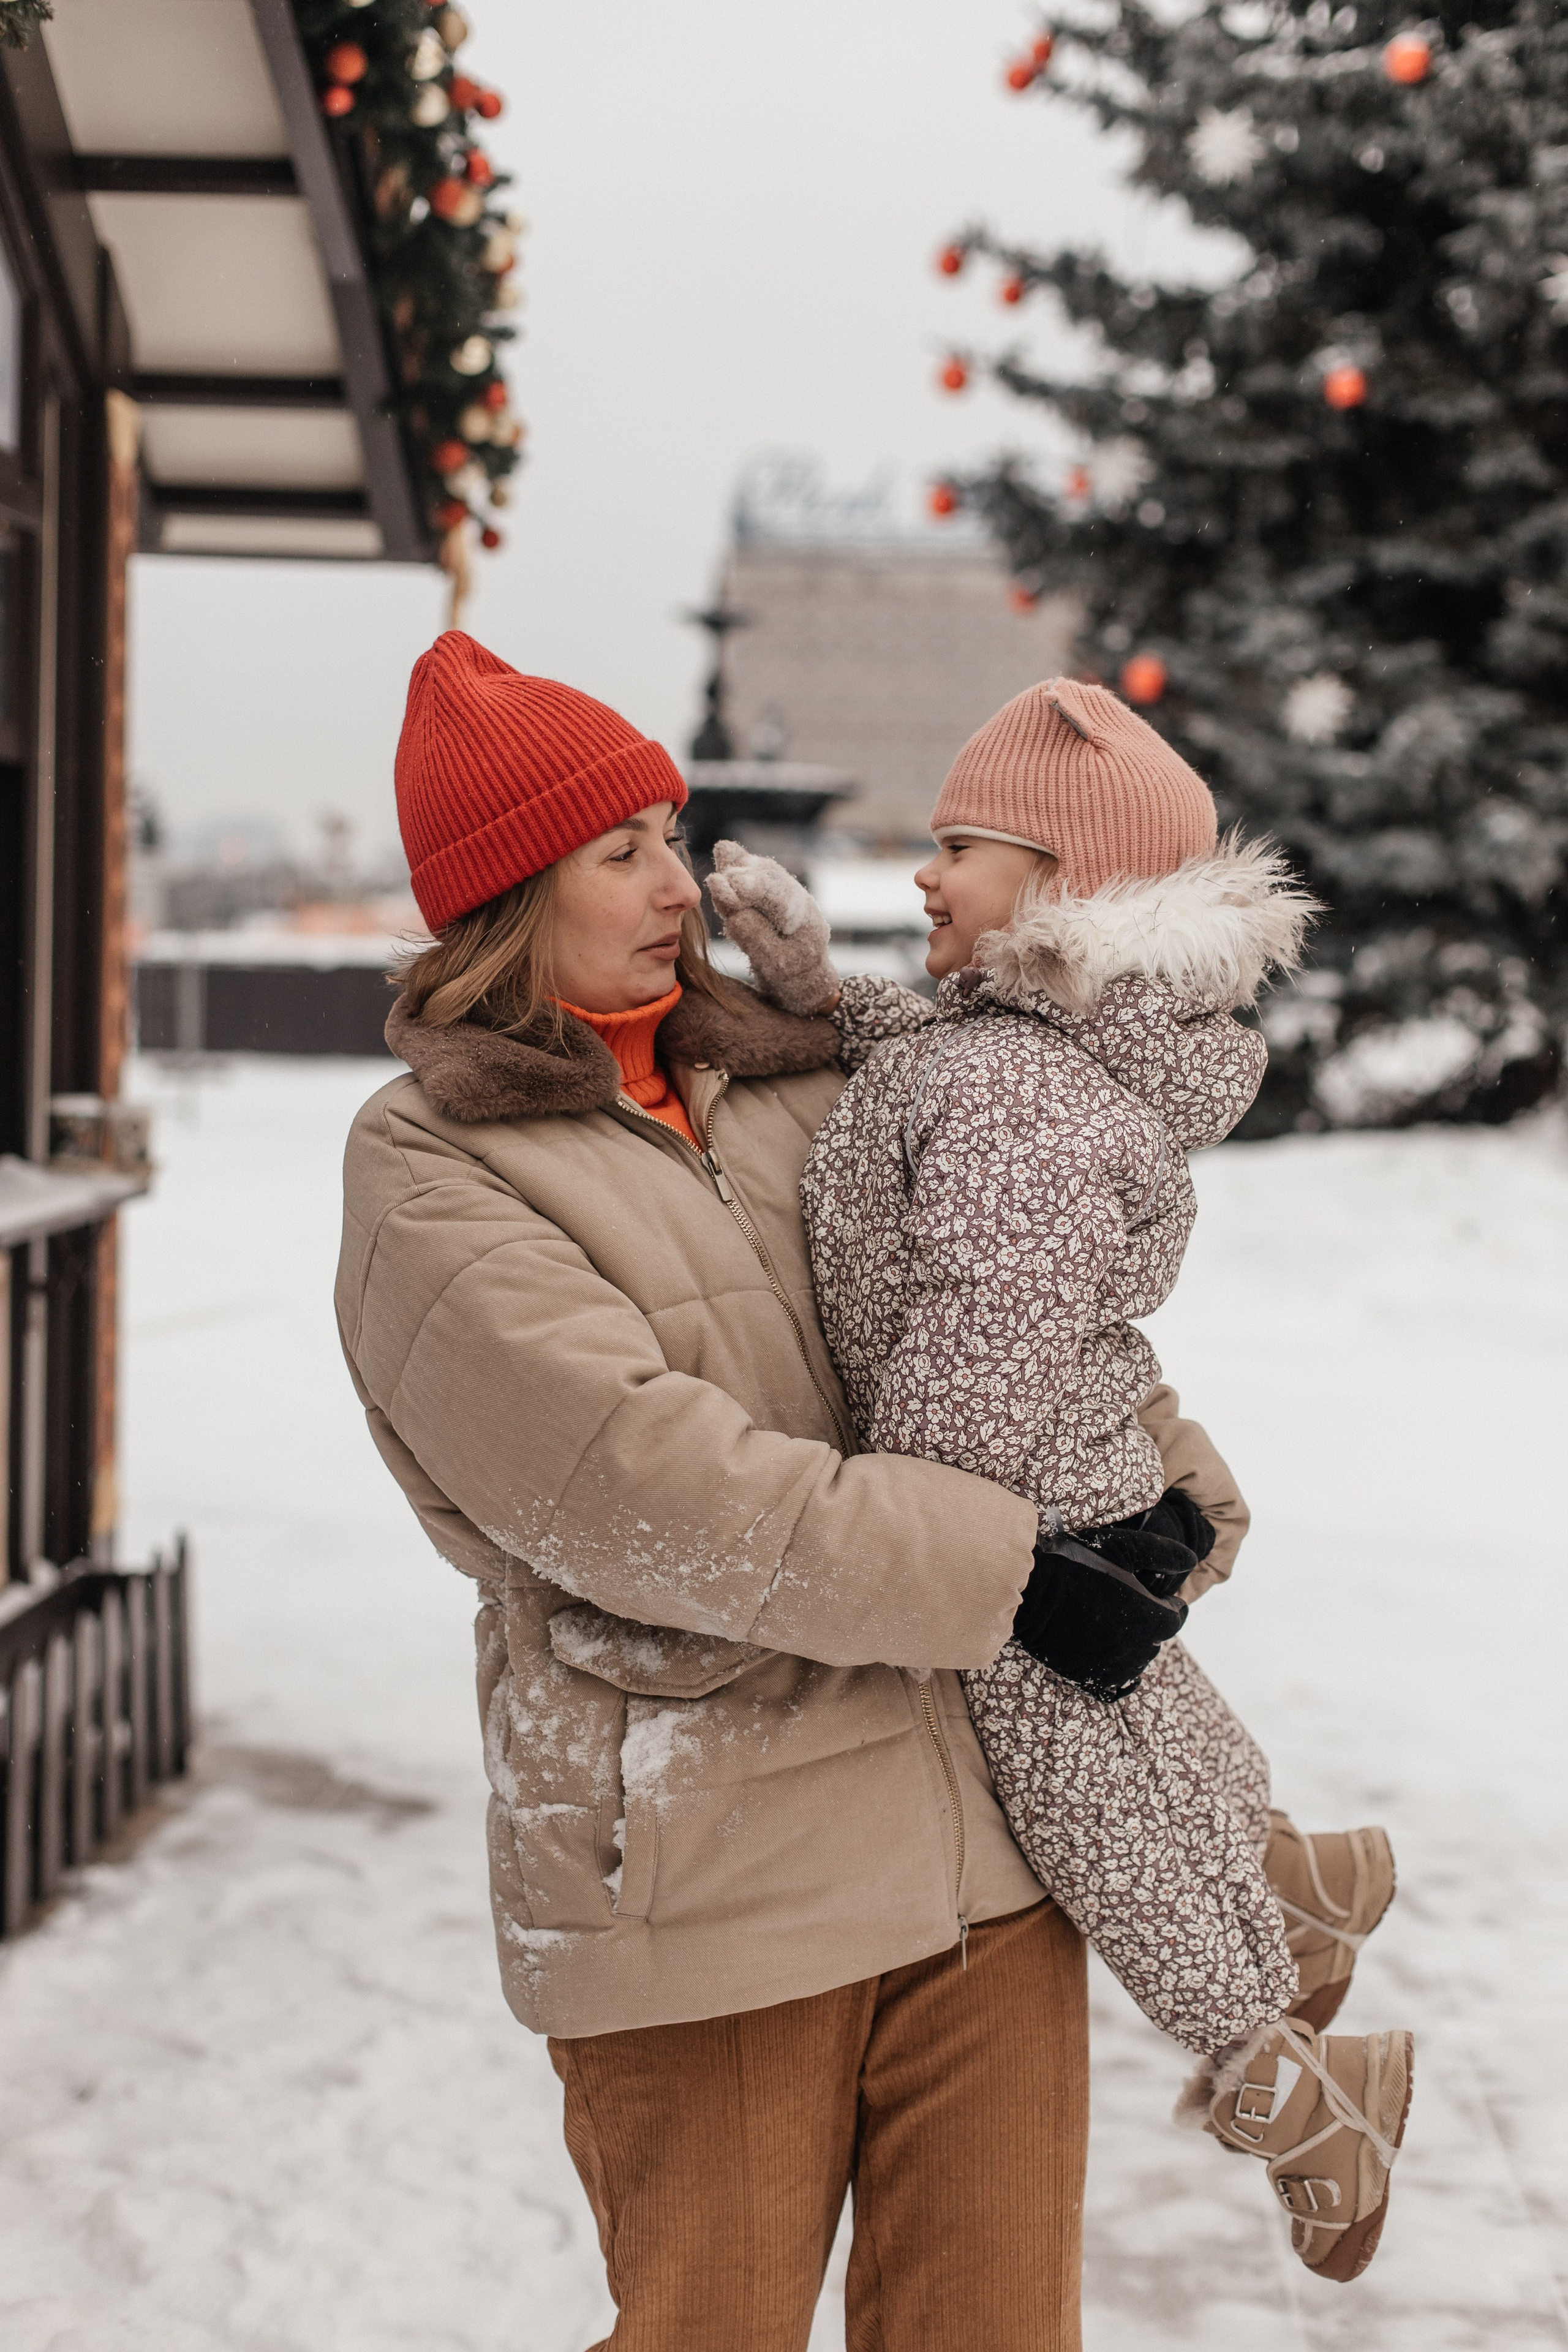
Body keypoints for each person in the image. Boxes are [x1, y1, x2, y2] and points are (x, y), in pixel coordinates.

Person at [338, 633, 1258, 2350]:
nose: (676, 886)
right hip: (714, 1877)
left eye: (673, 839)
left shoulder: (794, 1080)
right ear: (505, 900)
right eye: (620, 853)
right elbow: (643, 1490)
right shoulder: (432, 1167)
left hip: (979, 1857)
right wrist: (1019, 1573)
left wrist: (1172, 1490)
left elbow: (1012, 1299)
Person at [708, 676, 1415, 2285]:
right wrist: (815, 988)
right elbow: (921, 1052)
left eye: (963, 847)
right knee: (1145, 1721)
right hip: (1068, 1483)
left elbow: (987, 1333)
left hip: (1007, 1522)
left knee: (1090, 1816)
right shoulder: (1018, 1043)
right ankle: (1299, 1887)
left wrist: (914, 1531)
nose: (926, 873)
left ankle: (1289, 2087)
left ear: (1064, 887)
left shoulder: (1012, 1096)